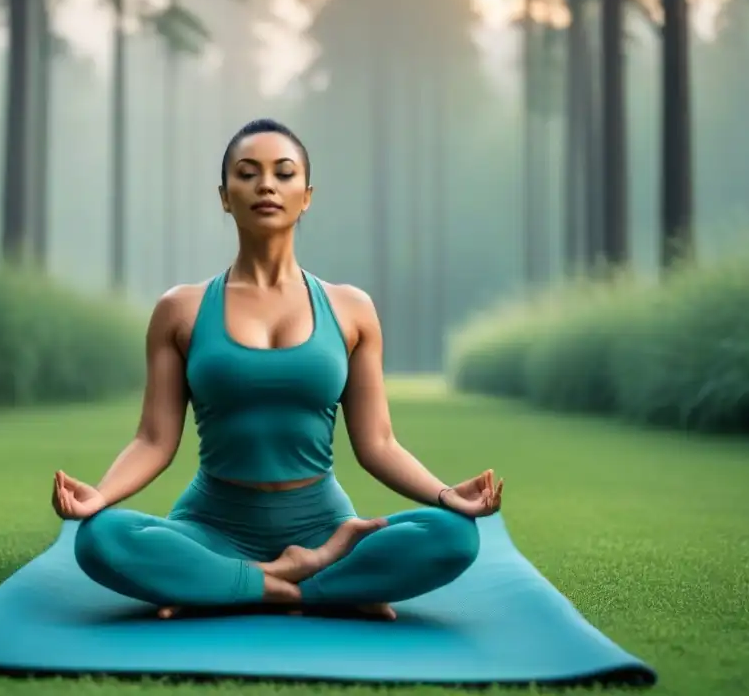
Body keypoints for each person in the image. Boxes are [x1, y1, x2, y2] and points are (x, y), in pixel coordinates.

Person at [51, 118, 504, 621]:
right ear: (225, 196)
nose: (266, 184)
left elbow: (378, 444)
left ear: (306, 196)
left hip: (324, 525)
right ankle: (313, 580)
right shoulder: (181, 309)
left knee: (453, 535)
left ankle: (230, 585)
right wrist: (101, 496)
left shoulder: (350, 308)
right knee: (100, 539)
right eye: (248, 173)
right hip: (211, 526)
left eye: (283, 173)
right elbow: (154, 440)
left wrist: (446, 494)